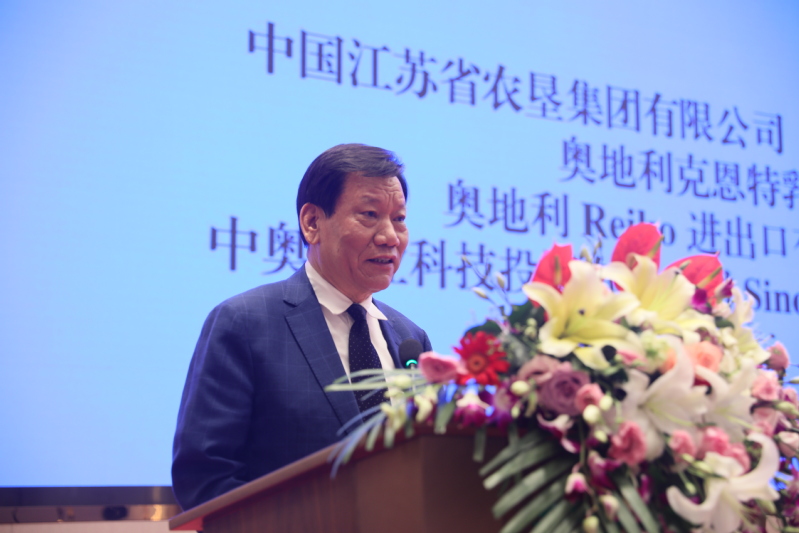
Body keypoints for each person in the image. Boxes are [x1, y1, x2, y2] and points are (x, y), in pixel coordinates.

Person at [171, 144, 432, 511]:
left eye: (399, 218)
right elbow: (205, 479)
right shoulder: (244, 323)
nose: (390, 236)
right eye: (370, 215)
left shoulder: (411, 339)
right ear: (312, 222)